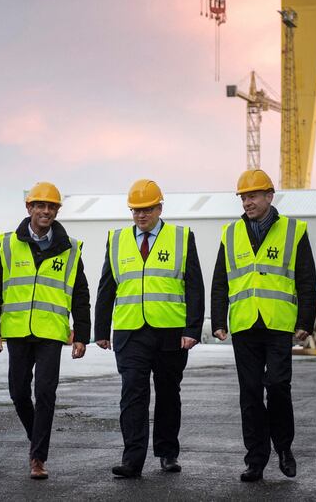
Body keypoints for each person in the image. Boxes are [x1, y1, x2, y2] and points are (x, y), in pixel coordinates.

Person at [210, 169, 316, 483]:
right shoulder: (230, 234)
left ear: (270, 196)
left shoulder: (293, 231)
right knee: (251, 393)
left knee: (278, 386)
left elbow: (307, 280)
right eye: (243, 197)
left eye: (253, 195)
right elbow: (220, 282)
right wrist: (218, 320)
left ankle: (283, 448)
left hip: (278, 324)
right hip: (244, 325)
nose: (247, 202)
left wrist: (305, 321)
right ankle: (255, 460)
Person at [95, 179, 204, 478]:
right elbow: (107, 286)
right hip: (130, 331)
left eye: (147, 209)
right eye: (135, 210)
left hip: (170, 330)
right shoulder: (117, 240)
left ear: (159, 208)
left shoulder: (181, 237)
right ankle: (132, 459)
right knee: (132, 393)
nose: (141, 216)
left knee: (168, 393)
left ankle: (168, 453)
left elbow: (194, 285)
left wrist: (192, 329)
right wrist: (101, 329)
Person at [0, 181, 91, 480]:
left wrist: (81, 335)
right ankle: (37, 440)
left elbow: (80, 295)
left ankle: (38, 458)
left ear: (57, 210)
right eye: (40, 205)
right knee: (18, 392)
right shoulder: (7, 245)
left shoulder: (70, 249)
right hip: (16, 332)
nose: (46, 211)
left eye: (51, 206)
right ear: (29, 208)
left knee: (45, 392)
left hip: (50, 334)